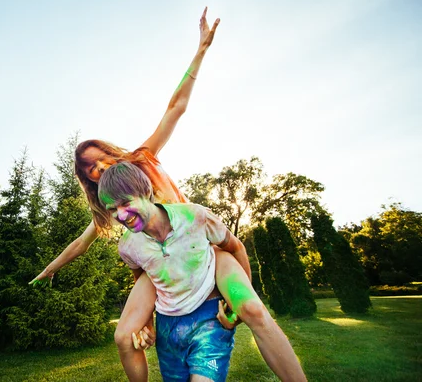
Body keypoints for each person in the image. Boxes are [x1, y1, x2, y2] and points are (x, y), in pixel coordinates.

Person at [31, 7, 252, 381]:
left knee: (246, 310)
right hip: (159, 262)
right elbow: (81, 242)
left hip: (193, 246)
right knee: (124, 336)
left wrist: (200, 51)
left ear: (109, 152)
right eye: (88, 172)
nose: (96, 171)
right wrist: (51, 268)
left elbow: (175, 109)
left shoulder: (143, 158)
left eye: (97, 162)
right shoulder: (113, 205)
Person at [99, 162, 307, 382]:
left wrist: (236, 303)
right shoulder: (127, 246)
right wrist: (146, 322)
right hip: (169, 327)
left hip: (209, 318)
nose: (121, 215)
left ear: (146, 192)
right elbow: (142, 275)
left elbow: (235, 247)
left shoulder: (195, 216)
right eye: (112, 209)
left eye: (125, 203)